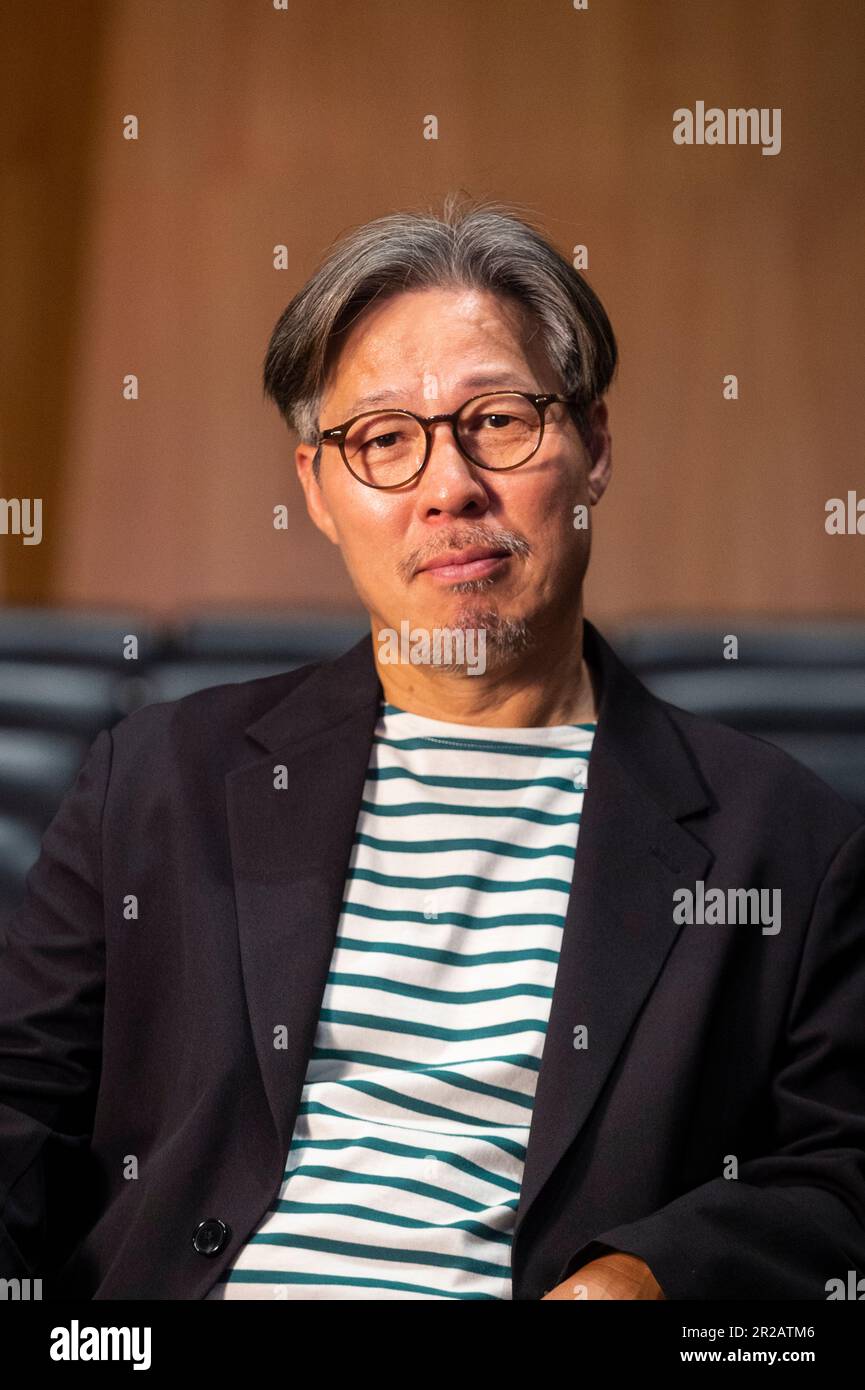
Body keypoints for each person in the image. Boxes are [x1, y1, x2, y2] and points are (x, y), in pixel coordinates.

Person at [1, 195, 863, 1301]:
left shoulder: (781, 842)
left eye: (498, 421)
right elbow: (16, 1111)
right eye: (384, 442)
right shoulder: (159, 780)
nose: (448, 488)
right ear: (316, 489)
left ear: (593, 445)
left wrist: (642, 1279)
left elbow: (838, 1181)